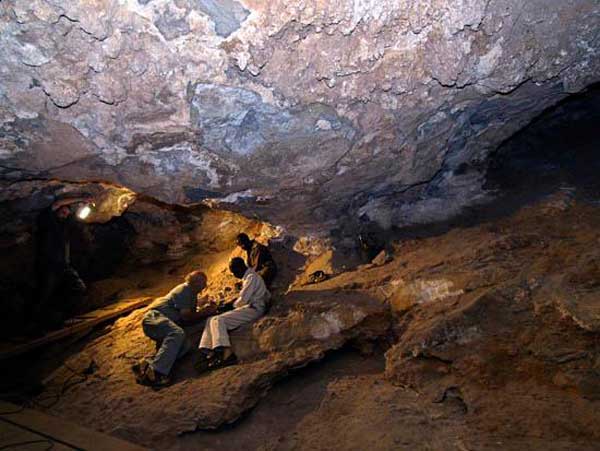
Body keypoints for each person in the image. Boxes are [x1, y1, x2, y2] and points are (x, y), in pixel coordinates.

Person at [133, 271, 208, 388]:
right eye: (203, 282)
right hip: (155, 317)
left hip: (162, 320)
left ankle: (147, 364)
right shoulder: (185, 290)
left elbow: (186, 310)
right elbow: (186, 316)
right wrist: (205, 312)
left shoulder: (190, 293)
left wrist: (201, 304)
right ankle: (156, 373)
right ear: (196, 283)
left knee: (185, 346)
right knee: (177, 333)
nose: (205, 285)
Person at [195, 258, 269, 372]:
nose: (234, 275)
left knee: (219, 320)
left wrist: (228, 306)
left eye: (234, 272)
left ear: (239, 268)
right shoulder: (248, 277)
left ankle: (227, 354)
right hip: (248, 307)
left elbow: (242, 301)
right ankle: (208, 351)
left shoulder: (251, 277)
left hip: (255, 309)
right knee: (211, 319)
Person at [33, 197, 91, 332]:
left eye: (67, 213)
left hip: (64, 266)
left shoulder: (64, 225)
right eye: (64, 211)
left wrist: (83, 205)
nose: (66, 214)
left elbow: (76, 221)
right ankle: (34, 327)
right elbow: (58, 203)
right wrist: (82, 198)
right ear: (57, 210)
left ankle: (63, 319)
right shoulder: (46, 219)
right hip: (48, 265)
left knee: (78, 288)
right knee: (44, 295)